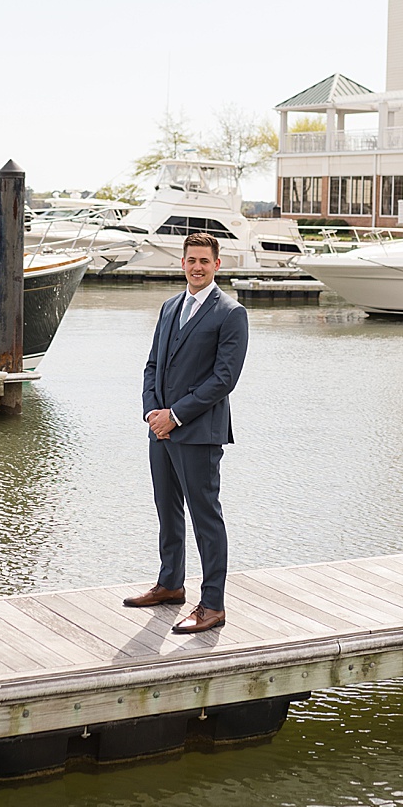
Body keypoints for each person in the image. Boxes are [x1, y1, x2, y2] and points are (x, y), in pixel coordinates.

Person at [125, 231, 249, 634]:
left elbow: (223, 380)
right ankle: (170, 584)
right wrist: (151, 415)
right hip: (158, 431)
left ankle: (213, 604)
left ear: (217, 265)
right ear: (182, 264)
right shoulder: (169, 306)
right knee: (168, 510)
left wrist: (175, 416)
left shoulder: (231, 313)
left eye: (204, 261)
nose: (197, 267)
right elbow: (151, 366)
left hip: (198, 433)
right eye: (190, 260)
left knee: (205, 517)